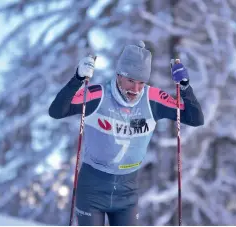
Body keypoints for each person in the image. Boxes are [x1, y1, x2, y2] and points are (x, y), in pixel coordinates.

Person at [48, 41, 204, 226]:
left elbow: (195, 118)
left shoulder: (153, 99)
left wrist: (184, 87)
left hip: (127, 192)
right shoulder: (98, 96)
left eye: (141, 83)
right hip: (92, 188)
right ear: (119, 75)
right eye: (131, 80)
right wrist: (77, 79)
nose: (136, 89)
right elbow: (56, 111)